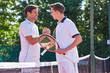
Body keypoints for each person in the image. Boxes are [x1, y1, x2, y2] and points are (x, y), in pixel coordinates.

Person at [49, 2, 82, 73]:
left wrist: (65, 50)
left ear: (57, 12)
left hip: (69, 59)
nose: (51, 14)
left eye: (52, 12)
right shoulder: (58, 25)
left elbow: (79, 39)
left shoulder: (68, 23)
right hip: (61, 60)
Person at [19, 5, 50, 73]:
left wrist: (46, 40)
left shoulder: (35, 26)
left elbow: (38, 43)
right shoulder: (25, 24)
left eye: (37, 12)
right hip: (27, 61)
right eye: (35, 12)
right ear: (28, 13)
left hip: (36, 61)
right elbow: (31, 41)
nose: (37, 14)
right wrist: (44, 35)